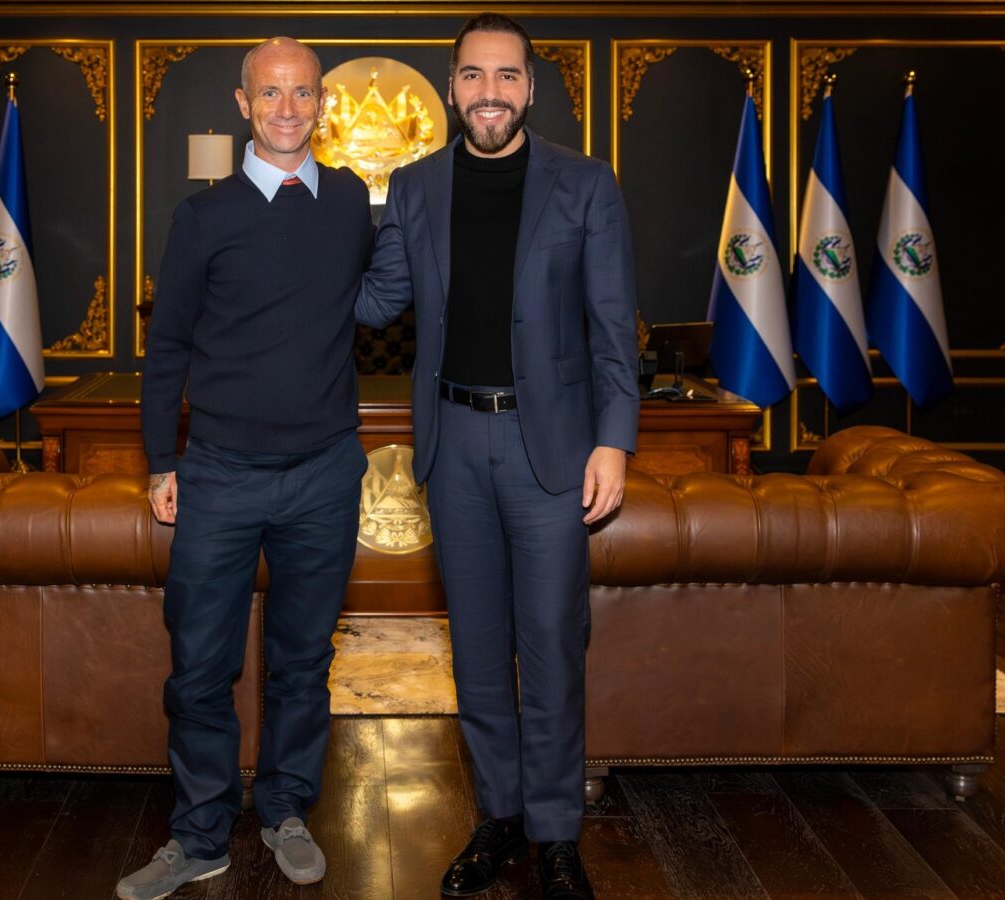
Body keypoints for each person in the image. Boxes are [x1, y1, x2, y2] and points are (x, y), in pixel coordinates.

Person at [355, 12, 638, 900]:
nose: (489, 94)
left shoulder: (587, 186)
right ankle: (499, 819)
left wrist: (615, 441)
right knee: (476, 652)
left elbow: (611, 331)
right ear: (451, 87)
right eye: (473, 77)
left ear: (529, 87)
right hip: (450, 441)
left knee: (551, 645)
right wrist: (286, 257)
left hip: (548, 447)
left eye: (506, 77)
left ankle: (556, 835)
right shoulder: (413, 186)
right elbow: (378, 301)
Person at [117, 36, 371, 900]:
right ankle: (198, 836)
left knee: (304, 661)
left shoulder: (347, 205)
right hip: (219, 472)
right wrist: (160, 461)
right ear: (243, 105)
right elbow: (168, 347)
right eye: (272, 94)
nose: (289, 108)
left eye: (303, 92)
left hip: (327, 472)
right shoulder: (203, 216)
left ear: (323, 103)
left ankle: (288, 808)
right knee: (198, 667)